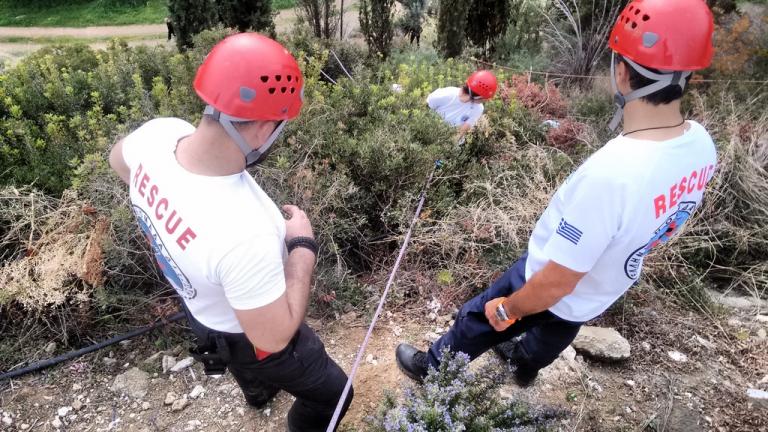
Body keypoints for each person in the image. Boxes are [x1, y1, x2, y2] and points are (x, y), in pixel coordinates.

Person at [396, 0, 717, 387]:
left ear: (621, 72)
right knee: (557, 329)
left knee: (478, 318)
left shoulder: (613, 173)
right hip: (599, 291)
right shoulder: (702, 145)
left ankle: (433, 368)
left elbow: (555, 283)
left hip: (543, 280)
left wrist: (510, 309)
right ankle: (524, 366)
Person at [108, 33, 352, 432]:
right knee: (334, 394)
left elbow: (118, 160)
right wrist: (302, 247)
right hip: (250, 337)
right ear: (264, 128)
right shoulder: (246, 233)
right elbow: (273, 337)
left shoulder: (159, 135)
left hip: (201, 309)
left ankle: (258, 393)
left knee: (242, 359)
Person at [426, 70, 497, 140]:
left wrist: (448, 143)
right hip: (430, 134)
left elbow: (461, 131)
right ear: (477, 97)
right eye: (485, 98)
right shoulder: (445, 94)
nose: (486, 100)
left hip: (449, 141)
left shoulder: (478, 108)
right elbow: (424, 109)